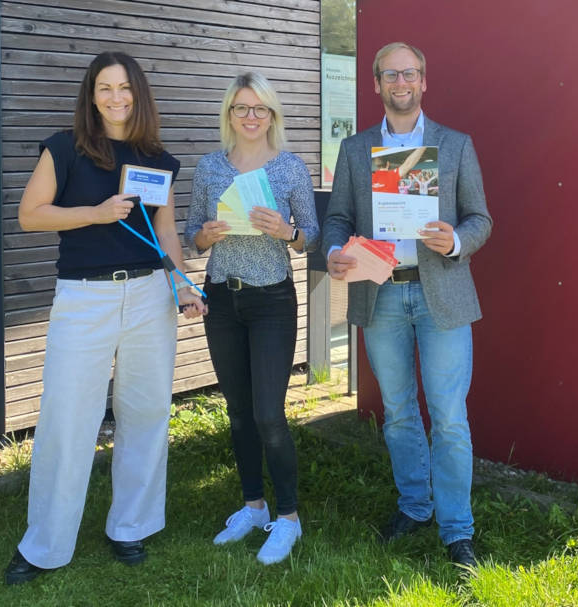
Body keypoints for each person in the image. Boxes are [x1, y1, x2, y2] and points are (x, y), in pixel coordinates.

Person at [5, 51, 205, 585]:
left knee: (144, 414)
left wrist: (182, 286)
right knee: (66, 420)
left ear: (138, 94)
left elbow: (164, 232)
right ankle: (44, 544)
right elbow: (30, 214)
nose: (115, 98)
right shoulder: (65, 148)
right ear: (91, 96)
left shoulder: (155, 158)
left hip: (148, 297)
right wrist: (95, 213)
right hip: (84, 298)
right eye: (104, 89)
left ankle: (130, 526)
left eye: (125, 89)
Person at [323, 42, 492, 568]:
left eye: (410, 73)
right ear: (375, 84)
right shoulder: (355, 150)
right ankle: (415, 507)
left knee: (449, 417)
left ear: (424, 80)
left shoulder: (456, 145)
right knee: (398, 414)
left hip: (441, 291)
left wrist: (456, 240)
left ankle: (456, 528)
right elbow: (337, 218)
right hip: (381, 294)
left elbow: (480, 219)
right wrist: (332, 251)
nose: (401, 82)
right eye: (390, 74)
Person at [186, 72, 319, 566]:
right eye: (241, 108)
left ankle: (288, 519)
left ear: (272, 115)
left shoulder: (289, 167)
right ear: (229, 114)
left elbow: (313, 236)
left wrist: (287, 231)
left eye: (259, 108)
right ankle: (252, 506)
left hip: (272, 302)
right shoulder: (208, 168)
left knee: (268, 413)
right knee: (238, 411)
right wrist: (208, 235)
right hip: (223, 300)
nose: (250, 117)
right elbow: (191, 235)